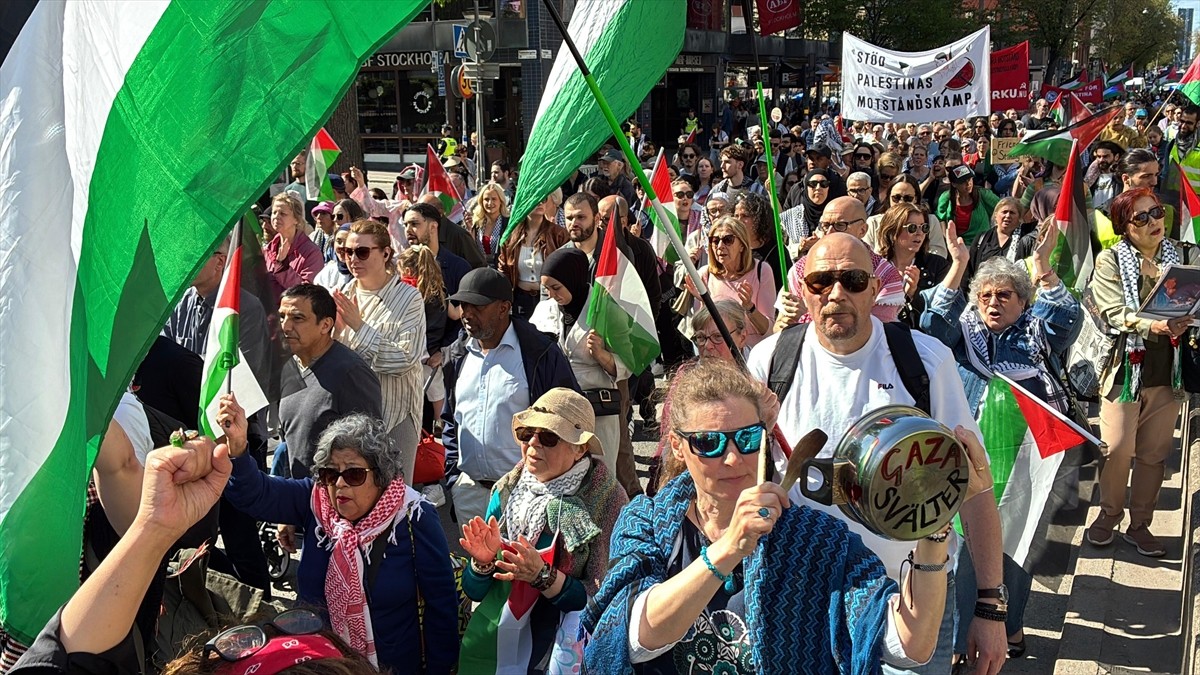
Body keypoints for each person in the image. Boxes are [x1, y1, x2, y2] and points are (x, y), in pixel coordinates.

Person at [582, 358, 991, 673]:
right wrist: (727, 549)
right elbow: (634, 636)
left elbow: (912, 644)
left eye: (747, 438)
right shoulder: (647, 523)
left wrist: (934, 527)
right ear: (677, 445)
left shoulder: (815, 539)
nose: (731, 457)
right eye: (707, 443)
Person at [748, 233, 1008, 674]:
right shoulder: (770, 361)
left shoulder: (925, 361)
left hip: (912, 592)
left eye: (851, 279)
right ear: (801, 290)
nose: (836, 293)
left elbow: (974, 489)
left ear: (874, 288)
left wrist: (991, 606)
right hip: (803, 595)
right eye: (820, 281)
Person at [921, 222, 1081, 659]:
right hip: (970, 455)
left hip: (1027, 453)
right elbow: (930, 328)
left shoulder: (1037, 330)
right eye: (986, 295)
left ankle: (1010, 625)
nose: (993, 302)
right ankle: (958, 639)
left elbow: (1067, 320)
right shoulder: (961, 334)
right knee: (966, 546)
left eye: (1005, 295)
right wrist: (957, 269)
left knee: (1020, 543)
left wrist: (1045, 267)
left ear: (1023, 301)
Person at [221, 405, 460, 673]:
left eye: (354, 473)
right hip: (320, 663)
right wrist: (239, 446)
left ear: (380, 475)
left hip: (392, 666)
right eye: (330, 473)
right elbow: (255, 493)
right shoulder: (315, 499)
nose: (340, 484)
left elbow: (442, 606)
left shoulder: (413, 514)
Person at [458, 388, 628, 674]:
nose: (533, 444)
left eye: (549, 437)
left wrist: (542, 577)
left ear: (580, 448)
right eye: (527, 434)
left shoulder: (607, 500)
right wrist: (482, 563)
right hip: (501, 641)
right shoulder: (506, 490)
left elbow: (603, 600)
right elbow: (476, 591)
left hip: (565, 652)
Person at [1086, 189, 1191, 558]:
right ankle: (1109, 514)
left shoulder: (1186, 256)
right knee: (1117, 448)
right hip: (1124, 370)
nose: (1153, 222)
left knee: (1154, 453)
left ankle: (1140, 524)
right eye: (1141, 218)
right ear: (1124, 227)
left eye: (1156, 212)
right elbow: (1114, 312)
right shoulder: (1110, 262)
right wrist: (1157, 323)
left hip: (1167, 370)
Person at [442, 268, 580, 524]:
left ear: (504, 307)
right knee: (476, 565)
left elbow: (569, 421)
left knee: (520, 565)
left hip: (528, 492)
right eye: (463, 305)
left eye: (477, 306)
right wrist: (454, 480)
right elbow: (451, 421)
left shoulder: (540, 353)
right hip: (469, 494)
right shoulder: (456, 355)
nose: (467, 314)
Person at [332, 219, 426, 481]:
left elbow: (404, 359)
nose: (353, 259)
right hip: (351, 417)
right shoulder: (343, 292)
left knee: (393, 499)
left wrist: (359, 327)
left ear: (385, 253)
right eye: (346, 252)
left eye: (362, 252)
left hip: (394, 415)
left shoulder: (409, 298)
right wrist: (335, 333)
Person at [530, 249, 629, 473]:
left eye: (556, 287)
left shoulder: (607, 310)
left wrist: (603, 356)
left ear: (573, 280)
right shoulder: (544, 309)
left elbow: (627, 365)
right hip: (556, 408)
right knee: (558, 473)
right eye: (546, 288)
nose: (552, 294)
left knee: (598, 475)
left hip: (596, 410)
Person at [276, 283, 382, 479]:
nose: (285, 326)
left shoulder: (351, 373)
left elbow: (369, 451)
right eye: (282, 317)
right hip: (295, 498)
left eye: (297, 318)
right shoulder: (289, 366)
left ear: (325, 325)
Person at [681, 216, 775, 348]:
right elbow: (701, 331)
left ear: (742, 245)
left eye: (728, 240)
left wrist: (750, 307)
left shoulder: (761, 271)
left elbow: (768, 330)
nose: (720, 246)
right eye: (715, 241)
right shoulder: (704, 275)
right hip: (719, 354)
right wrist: (704, 300)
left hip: (752, 355)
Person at [397, 245, 452, 423]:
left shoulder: (408, 293)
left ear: (406, 270)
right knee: (437, 396)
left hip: (414, 353)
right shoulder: (440, 292)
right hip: (432, 354)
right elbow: (454, 314)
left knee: (411, 399)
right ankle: (440, 427)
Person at [876, 202, 950, 329]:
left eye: (924, 228)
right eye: (912, 228)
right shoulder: (876, 266)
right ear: (893, 231)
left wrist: (913, 293)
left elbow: (940, 316)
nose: (919, 233)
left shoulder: (938, 265)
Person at [497, 190, 569, 318]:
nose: (540, 203)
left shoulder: (558, 234)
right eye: (535, 198)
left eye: (544, 199)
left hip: (549, 298)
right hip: (520, 300)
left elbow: (567, 267)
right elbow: (504, 270)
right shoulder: (511, 236)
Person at [866, 174, 949, 258]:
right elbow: (865, 256)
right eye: (896, 198)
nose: (901, 202)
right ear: (889, 197)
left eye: (908, 198)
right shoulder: (874, 222)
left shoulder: (930, 221)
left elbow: (939, 254)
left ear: (916, 198)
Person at [264, 192, 324, 295]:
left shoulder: (311, 252)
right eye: (274, 212)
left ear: (296, 219)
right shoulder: (268, 249)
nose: (276, 217)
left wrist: (283, 266)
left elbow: (307, 292)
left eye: (283, 214)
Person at [966, 196, 1036, 282]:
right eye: (1004, 212)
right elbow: (969, 270)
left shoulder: (1026, 239)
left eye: (1012, 213)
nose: (1008, 216)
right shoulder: (982, 238)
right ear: (996, 215)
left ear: (1019, 218)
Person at [937, 164, 998, 248]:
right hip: (956, 245)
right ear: (954, 184)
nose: (968, 184)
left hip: (981, 246)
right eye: (963, 182)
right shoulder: (946, 198)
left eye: (970, 179)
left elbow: (1002, 207)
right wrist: (947, 242)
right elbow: (941, 219)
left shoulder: (983, 194)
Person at [780, 168, 833, 258]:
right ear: (806, 187)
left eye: (824, 184)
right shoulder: (789, 217)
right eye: (813, 184)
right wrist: (799, 248)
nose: (818, 188)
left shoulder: (835, 215)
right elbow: (781, 250)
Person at [467, 181, 510, 263]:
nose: (490, 203)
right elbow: (471, 250)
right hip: (480, 269)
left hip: (502, 270)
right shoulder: (476, 223)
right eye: (486, 199)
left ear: (501, 201)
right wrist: (470, 230)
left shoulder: (508, 223)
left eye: (494, 199)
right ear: (481, 202)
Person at [314, 224, 354, 290]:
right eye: (339, 241)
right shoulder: (328, 271)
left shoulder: (363, 273)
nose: (342, 246)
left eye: (347, 241)